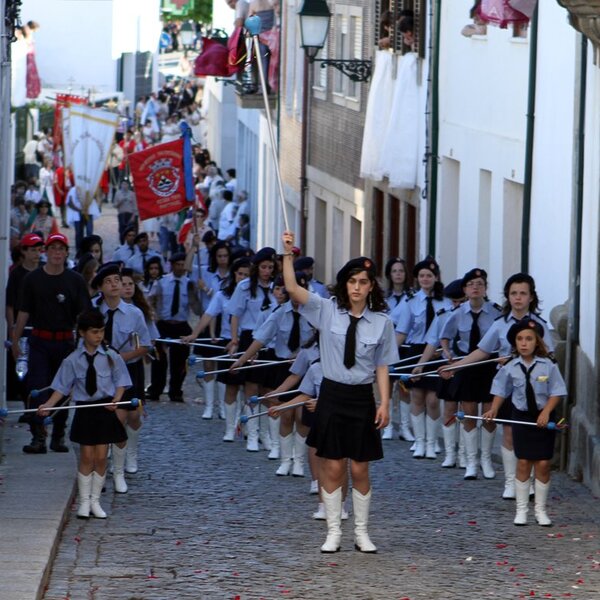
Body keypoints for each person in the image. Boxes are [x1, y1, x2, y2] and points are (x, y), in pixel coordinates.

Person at [281, 231, 397, 554]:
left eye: (363, 281)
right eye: (352, 281)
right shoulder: (325, 310)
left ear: (371, 286)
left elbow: (383, 366)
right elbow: (292, 288)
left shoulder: (381, 323)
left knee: (360, 467)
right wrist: (287, 254)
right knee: (332, 466)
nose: (357, 287)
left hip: (362, 397)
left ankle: (361, 532)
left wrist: (385, 402)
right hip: (332, 394)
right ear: (344, 285)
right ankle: (333, 531)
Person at [439, 273, 555, 499]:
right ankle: (511, 482)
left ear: (531, 297)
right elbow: (482, 351)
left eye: (523, 293)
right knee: (509, 432)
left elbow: (549, 356)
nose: (518, 298)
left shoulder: (540, 326)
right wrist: (456, 367)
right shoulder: (500, 324)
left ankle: (529, 481)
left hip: (535, 389)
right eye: (513, 293)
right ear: (507, 297)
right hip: (508, 387)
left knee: (531, 435)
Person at [37, 309, 131, 518]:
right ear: (82, 333)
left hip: (105, 408)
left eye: (101, 331)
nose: (99, 336)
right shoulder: (72, 360)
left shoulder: (111, 356)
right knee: (86, 455)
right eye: (94, 332)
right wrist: (49, 405)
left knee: (100, 456)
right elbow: (61, 387)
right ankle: (84, 501)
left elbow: (121, 382)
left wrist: (116, 399)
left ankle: (95, 502)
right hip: (85, 410)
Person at [11, 233, 91, 453]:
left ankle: (58, 435)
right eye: (53, 249)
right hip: (39, 340)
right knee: (36, 388)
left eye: (61, 249)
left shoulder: (75, 280)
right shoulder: (33, 279)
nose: (57, 253)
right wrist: (16, 341)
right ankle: (38, 436)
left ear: (66, 253)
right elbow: (23, 312)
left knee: (63, 389)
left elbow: (84, 315)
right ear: (46, 252)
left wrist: (87, 345)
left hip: (65, 342)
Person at [483, 319, 566, 527]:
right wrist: (493, 408)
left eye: (529, 339)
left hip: (543, 416)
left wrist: (546, 412)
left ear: (537, 342)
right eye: (520, 339)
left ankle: (540, 510)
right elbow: (500, 389)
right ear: (515, 343)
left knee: (544, 464)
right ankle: (521, 510)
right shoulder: (510, 366)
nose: (524, 343)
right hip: (521, 417)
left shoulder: (548, 365)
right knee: (522, 461)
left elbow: (557, 392)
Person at [230, 272, 313, 470]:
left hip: (308, 369)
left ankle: (299, 460)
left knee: (302, 416)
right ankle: (284, 458)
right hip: (284, 367)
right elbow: (260, 339)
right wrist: (242, 360)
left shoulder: (314, 312)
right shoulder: (278, 313)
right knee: (285, 413)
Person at [436, 269, 502, 477]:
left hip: (490, 365)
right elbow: (444, 337)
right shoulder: (457, 314)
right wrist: (448, 354)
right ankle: (472, 462)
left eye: (480, 283)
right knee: (470, 414)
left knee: (490, 415)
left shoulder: (496, 313)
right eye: (471, 284)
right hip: (466, 365)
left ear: (485, 288)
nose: (476, 287)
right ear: (465, 289)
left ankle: (486, 459)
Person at [93, 265, 151, 492]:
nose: (115, 284)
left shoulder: (134, 313)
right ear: (100, 287)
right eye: (109, 281)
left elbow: (145, 345)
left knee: (133, 416)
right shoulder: (93, 310)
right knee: (113, 420)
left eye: (117, 280)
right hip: (100, 372)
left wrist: (119, 358)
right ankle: (112, 469)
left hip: (128, 370)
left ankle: (129, 455)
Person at [182, 257, 252, 438]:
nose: (243, 277)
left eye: (247, 274)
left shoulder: (254, 295)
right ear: (234, 274)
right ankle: (230, 427)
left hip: (249, 343)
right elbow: (208, 314)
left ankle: (243, 423)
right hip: (228, 342)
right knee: (230, 385)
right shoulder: (222, 295)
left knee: (248, 387)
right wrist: (195, 334)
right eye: (240, 274)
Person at [395, 259, 451, 459]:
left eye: (429, 275)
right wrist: (388, 353)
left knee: (433, 399)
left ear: (436, 278)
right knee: (417, 397)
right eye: (422, 276)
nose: (425, 279)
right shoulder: (411, 302)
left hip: (437, 353)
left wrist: (444, 349)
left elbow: (447, 331)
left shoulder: (445, 302)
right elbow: (402, 331)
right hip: (417, 350)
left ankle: (432, 441)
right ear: (417, 279)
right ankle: (419, 442)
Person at [226, 247, 278, 451]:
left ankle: (265, 434)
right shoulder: (245, 287)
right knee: (251, 387)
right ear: (257, 268)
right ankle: (252, 434)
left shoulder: (277, 287)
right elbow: (235, 314)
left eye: (271, 267)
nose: (267, 271)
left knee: (268, 389)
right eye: (264, 267)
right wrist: (234, 339)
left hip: (272, 340)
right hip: (250, 337)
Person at [146, 253, 201, 402]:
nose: (181, 267)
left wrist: (195, 294)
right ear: (172, 265)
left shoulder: (189, 283)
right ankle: (156, 389)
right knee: (159, 360)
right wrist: (154, 317)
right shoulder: (162, 282)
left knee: (180, 361)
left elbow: (196, 309)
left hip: (181, 324)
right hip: (164, 324)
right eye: (178, 264)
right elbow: (150, 300)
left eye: (183, 264)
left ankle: (176, 390)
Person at [382, 257, 413, 441]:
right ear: (389, 274)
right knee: (387, 385)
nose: (398, 274)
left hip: (406, 345)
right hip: (387, 344)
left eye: (401, 271)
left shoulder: (412, 296)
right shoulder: (384, 297)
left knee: (404, 387)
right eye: (394, 271)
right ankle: (388, 425)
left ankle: (405, 426)